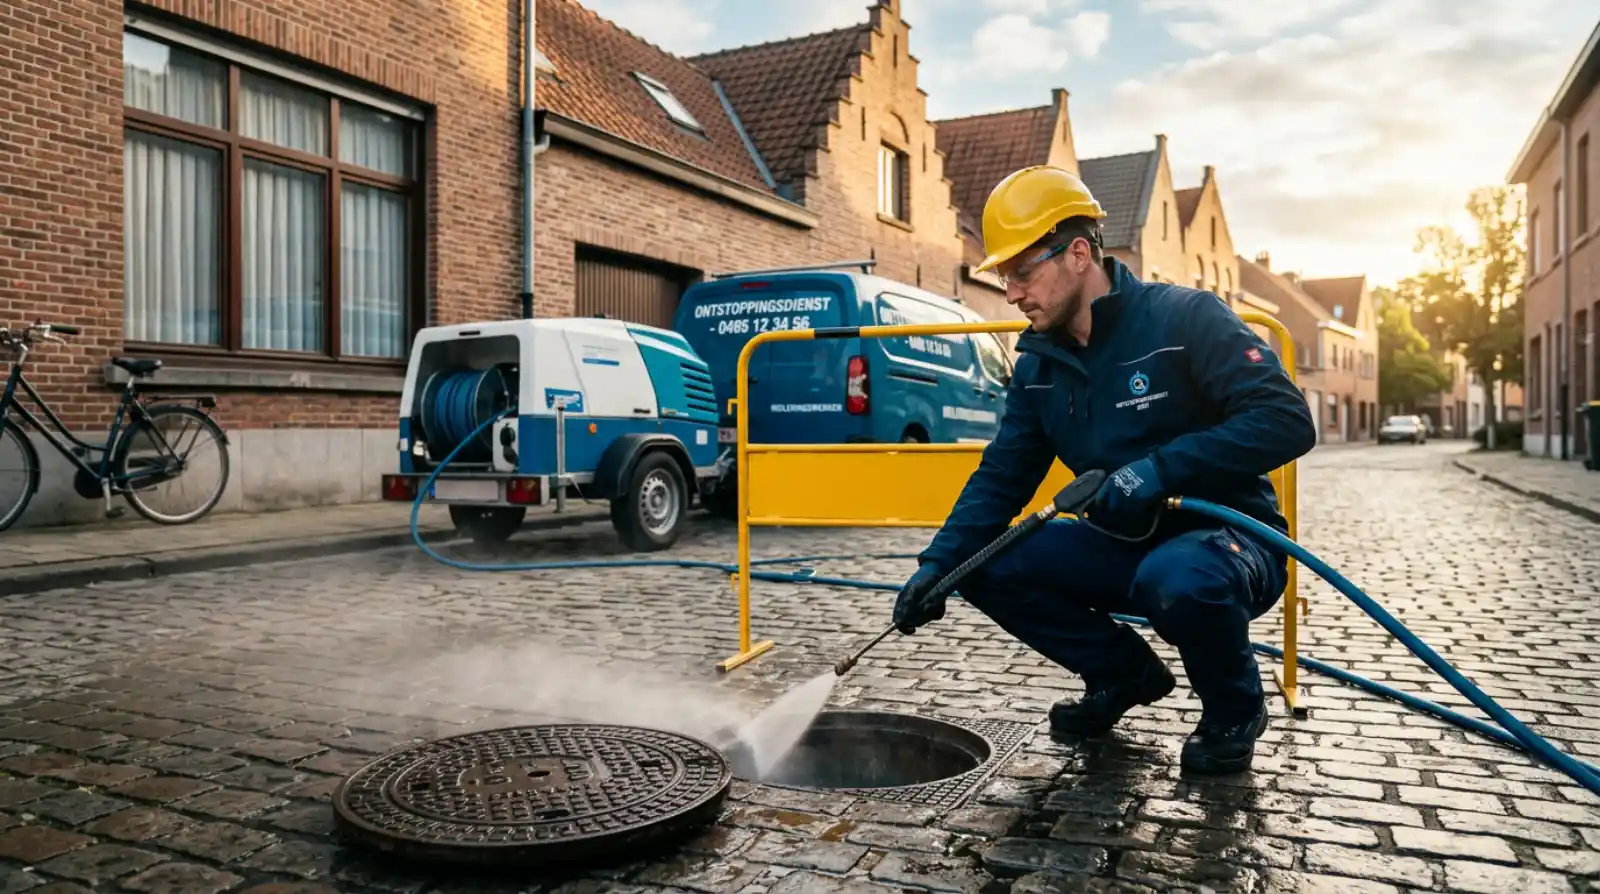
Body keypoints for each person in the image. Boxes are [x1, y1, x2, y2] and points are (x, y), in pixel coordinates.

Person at [892, 165, 1317, 774]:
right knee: (979, 566)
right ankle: (1122, 674)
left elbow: (1286, 420)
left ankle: (1234, 707)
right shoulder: (1040, 366)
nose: (1010, 292)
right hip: (1121, 544)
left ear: (1079, 253)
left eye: (1021, 271)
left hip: (1228, 542)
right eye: (1005, 276)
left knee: (1179, 577)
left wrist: (1157, 471)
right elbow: (1001, 477)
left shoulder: (1185, 318)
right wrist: (937, 567)